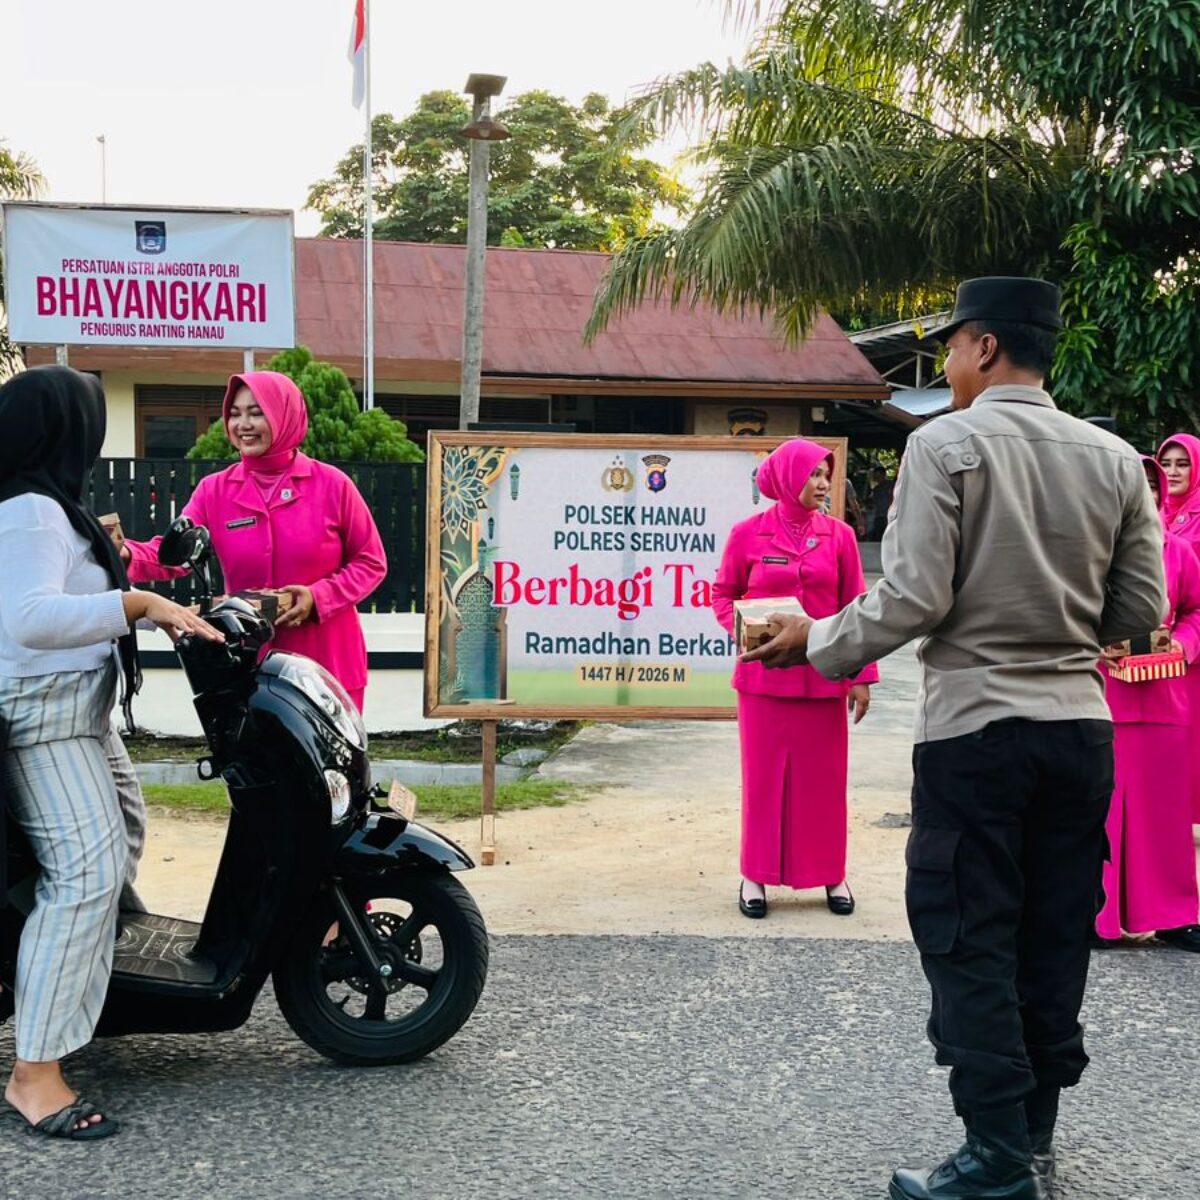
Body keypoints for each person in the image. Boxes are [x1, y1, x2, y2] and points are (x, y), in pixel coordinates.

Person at [742, 277, 1166, 1199]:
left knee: (970, 936)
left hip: (975, 735)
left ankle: (995, 1158)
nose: (943, 366)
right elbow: (1142, 608)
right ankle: (1036, 1137)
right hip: (1080, 735)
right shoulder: (1113, 458)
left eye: (950, 347)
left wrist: (814, 641)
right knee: (1053, 933)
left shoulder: (947, 444)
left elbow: (916, 595)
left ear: (981, 347)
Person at [0, 366, 219, 1141]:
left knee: (120, 838)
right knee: (84, 877)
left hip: (79, 709)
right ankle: (36, 1076)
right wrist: (140, 600)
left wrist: (106, 552)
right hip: (44, 715)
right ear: (63, 430)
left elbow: (52, 583)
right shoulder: (29, 509)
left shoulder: (42, 503)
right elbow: (29, 616)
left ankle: (89, 984)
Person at [123, 371, 386, 712]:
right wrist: (124, 553)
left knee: (324, 766)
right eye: (234, 413)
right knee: (257, 764)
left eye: (256, 412)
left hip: (328, 664)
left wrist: (317, 598)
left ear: (285, 415)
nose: (243, 424)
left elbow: (371, 562)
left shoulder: (332, 485)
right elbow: (175, 554)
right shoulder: (214, 490)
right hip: (250, 665)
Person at [712, 438, 877, 919]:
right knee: (763, 782)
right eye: (812, 474)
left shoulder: (840, 536)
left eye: (826, 474)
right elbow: (723, 595)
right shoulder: (747, 534)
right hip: (764, 683)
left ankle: (832, 874)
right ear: (787, 479)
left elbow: (856, 608)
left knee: (824, 784)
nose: (823, 483)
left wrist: (862, 675)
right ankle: (754, 876)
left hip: (825, 680)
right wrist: (744, 631)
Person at [1095, 456, 1200, 951]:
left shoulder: (1178, 551)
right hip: (1102, 694)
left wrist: (1183, 642)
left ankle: (1174, 914)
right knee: (1099, 808)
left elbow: (1196, 610)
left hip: (1164, 695)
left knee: (1164, 811)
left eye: (1153, 490)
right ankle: (1095, 915)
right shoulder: (1089, 549)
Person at [1157, 432, 1200, 822]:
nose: (1172, 472)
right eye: (1166, 463)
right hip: (1144, 659)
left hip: (1189, 655)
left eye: (1182, 463)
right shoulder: (1149, 512)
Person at [866, 466, 895, 540]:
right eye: (875, 476)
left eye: (878, 476)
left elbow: (892, 498)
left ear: (883, 475)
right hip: (879, 516)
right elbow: (872, 502)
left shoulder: (891, 485)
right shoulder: (876, 489)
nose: (877, 478)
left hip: (888, 516)